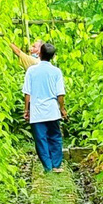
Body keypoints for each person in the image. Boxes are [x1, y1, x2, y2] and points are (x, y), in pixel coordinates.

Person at [22, 41, 67, 171]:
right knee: (55, 137)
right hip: (52, 110)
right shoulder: (56, 72)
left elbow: (27, 93)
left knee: (41, 140)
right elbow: (60, 94)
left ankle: (47, 167)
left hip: (37, 112)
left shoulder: (31, 71)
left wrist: (26, 110)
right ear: (53, 56)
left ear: (39, 54)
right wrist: (62, 109)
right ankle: (56, 165)